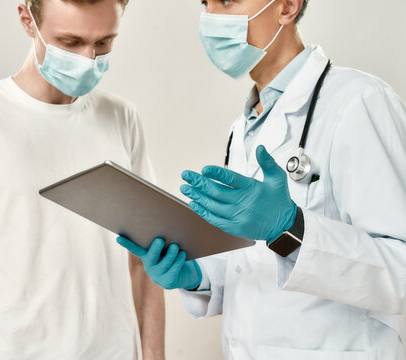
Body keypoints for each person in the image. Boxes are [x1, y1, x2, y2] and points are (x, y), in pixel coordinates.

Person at [118, 0, 406, 359]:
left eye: (226, 2)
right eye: (206, 4)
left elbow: (399, 272)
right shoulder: (243, 128)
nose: (211, 19)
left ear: (286, 6)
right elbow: (251, 265)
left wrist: (289, 228)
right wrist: (196, 274)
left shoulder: (358, 101)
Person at [0, 0, 165, 359]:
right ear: (28, 19)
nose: (89, 59)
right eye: (71, 42)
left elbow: (143, 260)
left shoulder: (122, 118)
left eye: (103, 43)